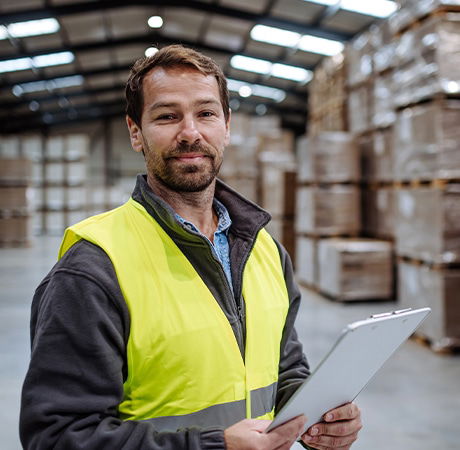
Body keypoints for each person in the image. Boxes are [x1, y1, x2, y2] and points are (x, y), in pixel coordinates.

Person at [20, 44, 362, 450]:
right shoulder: (93, 269)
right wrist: (216, 446)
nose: (191, 133)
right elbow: (56, 436)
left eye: (206, 113)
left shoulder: (266, 250)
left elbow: (283, 369)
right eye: (167, 116)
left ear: (226, 125)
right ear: (135, 132)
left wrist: (316, 415)